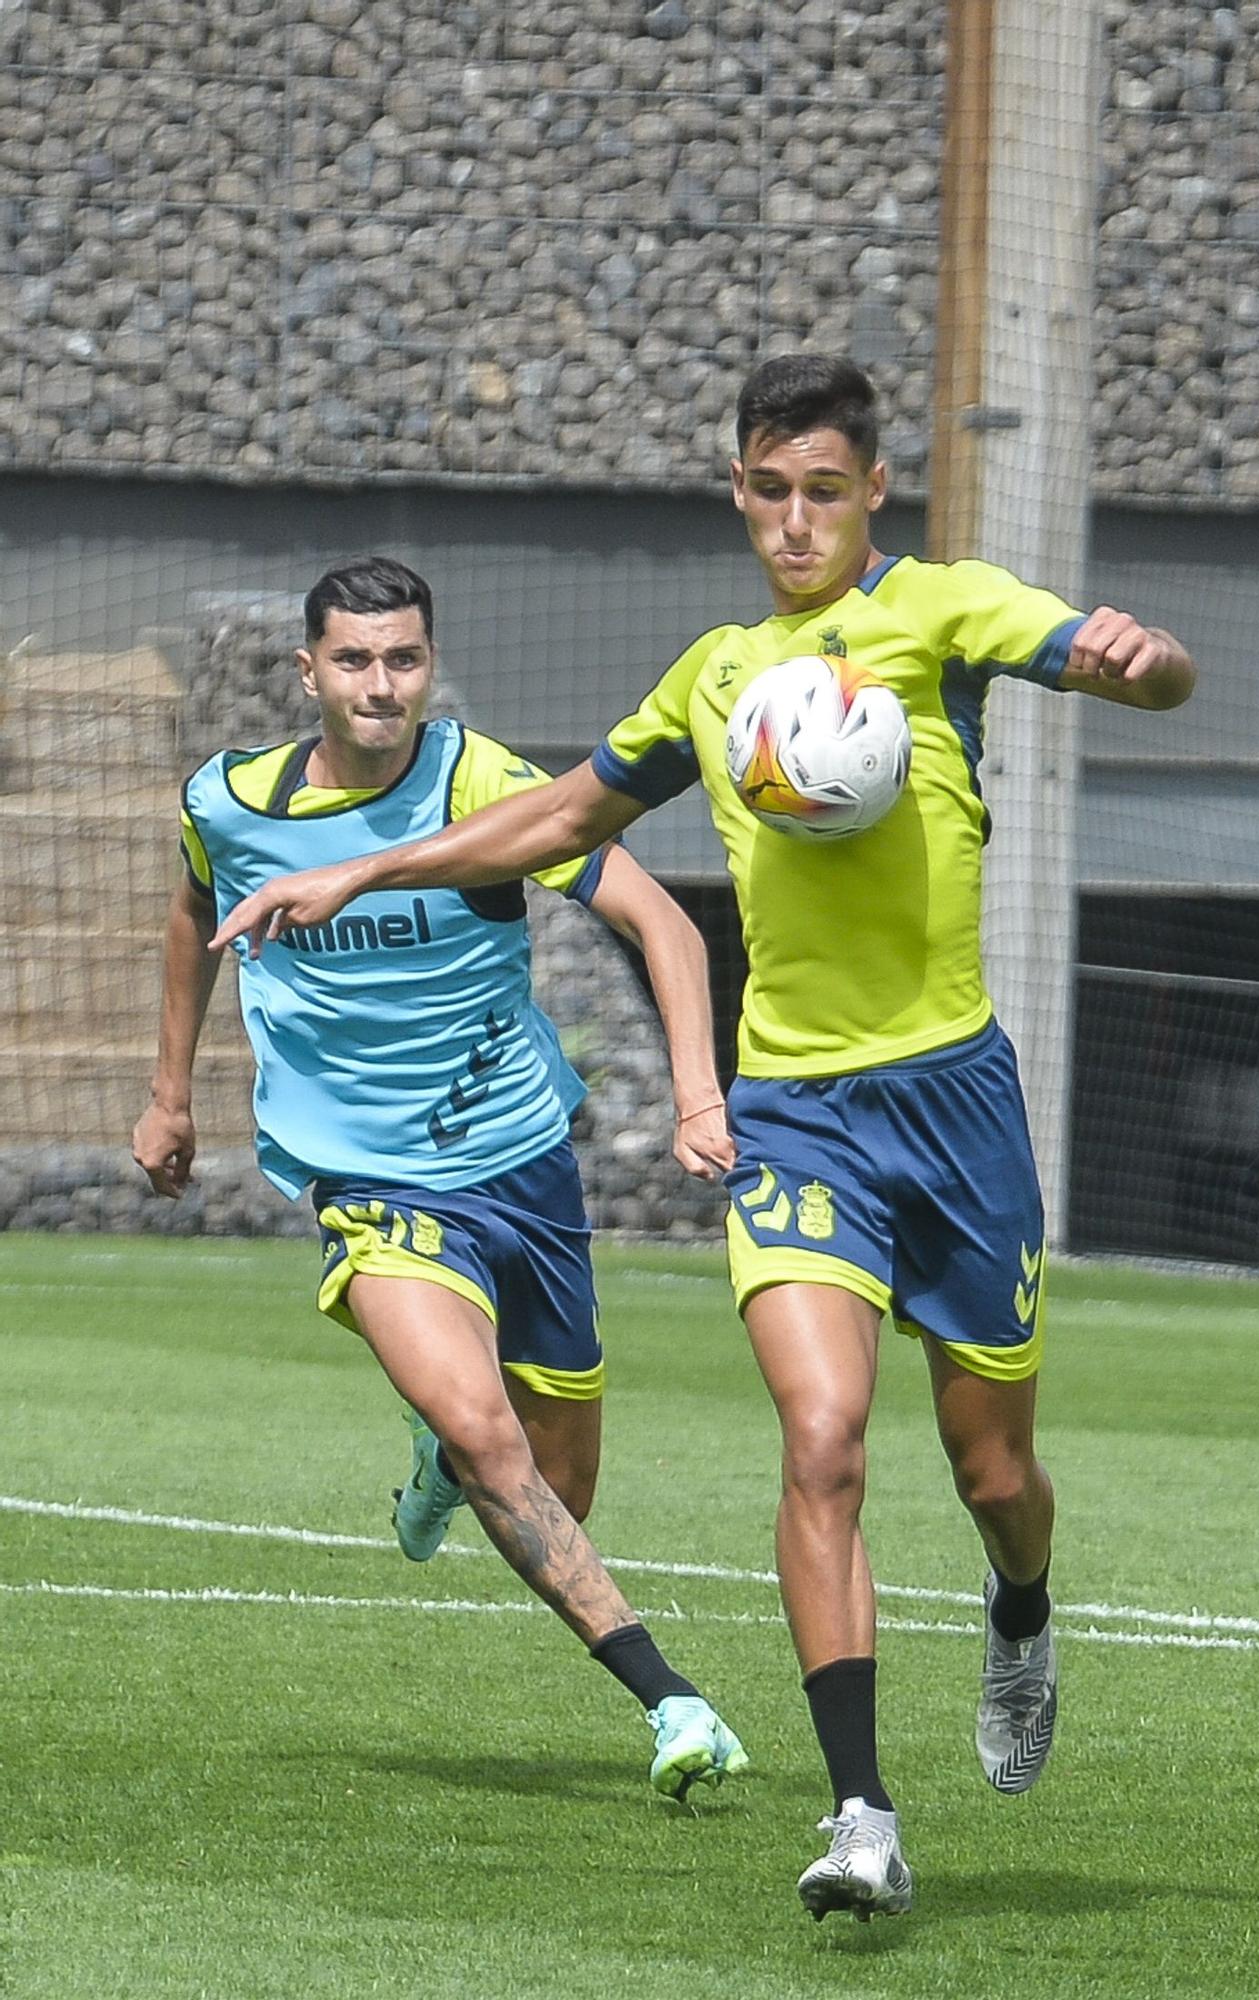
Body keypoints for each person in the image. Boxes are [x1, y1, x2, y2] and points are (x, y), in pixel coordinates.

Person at [211, 360, 1198, 1920]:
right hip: (794, 1112)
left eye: (824, 488)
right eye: (767, 487)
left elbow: (1122, 665)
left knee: (993, 1465)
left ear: (874, 491)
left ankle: (1022, 1608)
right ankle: (862, 1812)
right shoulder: (718, 673)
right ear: (737, 493)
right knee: (821, 1438)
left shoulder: (944, 611)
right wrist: (364, 871)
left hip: (954, 1103)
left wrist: (1147, 663)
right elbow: (558, 818)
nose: (795, 518)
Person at [132, 554, 748, 1804]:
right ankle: (675, 1702)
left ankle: (436, 1449)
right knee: (488, 1437)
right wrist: (166, 1091)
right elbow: (196, 911)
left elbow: (667, 923)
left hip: (521, 1167)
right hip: (366, 1183)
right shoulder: (229, 801)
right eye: (353, 660)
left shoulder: (483, 785)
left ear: (429, 666)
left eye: (402, 659)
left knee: (558, 1482)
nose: (379, 684)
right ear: (308, 671)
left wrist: (697, 1092)